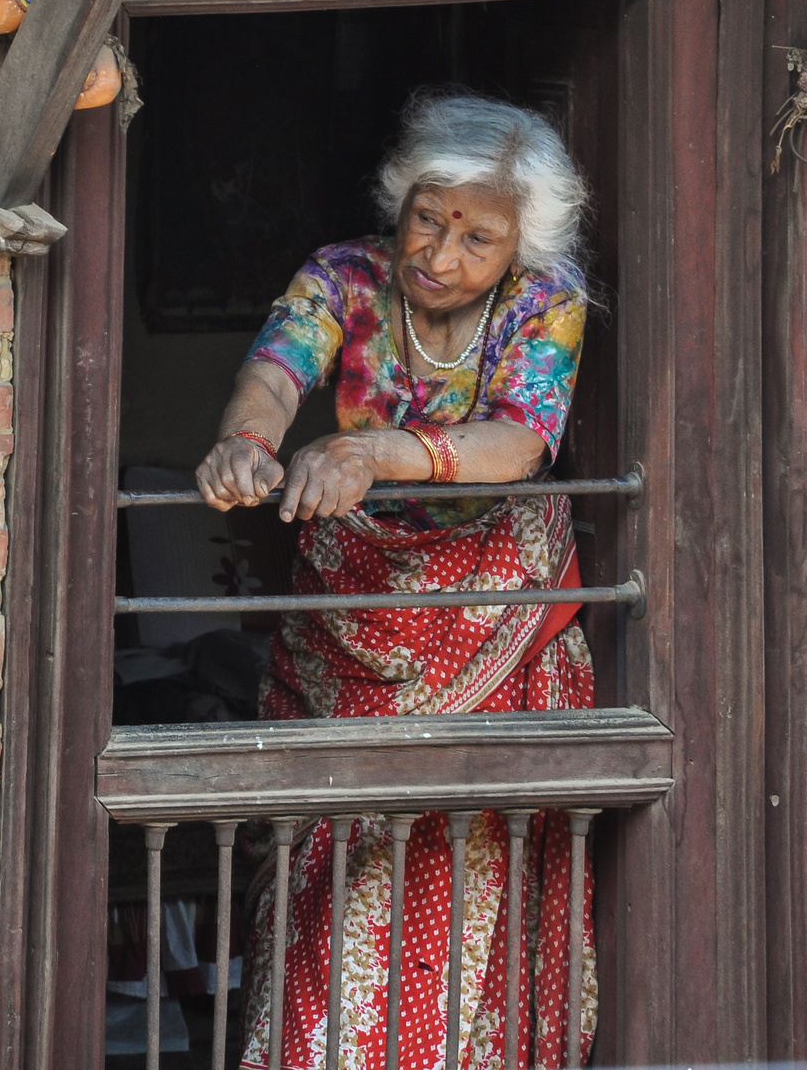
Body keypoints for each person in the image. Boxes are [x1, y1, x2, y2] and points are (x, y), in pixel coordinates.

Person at [195, 92, 596, 1070]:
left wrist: (373, 453)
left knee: (462, 894)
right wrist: (245, 441)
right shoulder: (342, 277)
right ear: (399, 198)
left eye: (476, 237)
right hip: (348, 620)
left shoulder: (547, 305)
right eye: (428, 217)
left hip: (494, 622)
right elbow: (278, 370)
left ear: (520, 244)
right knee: (324, 894)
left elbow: (514, 442)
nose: (441, 254)